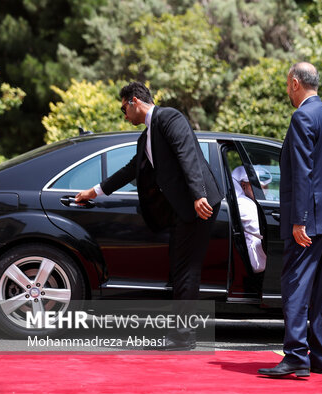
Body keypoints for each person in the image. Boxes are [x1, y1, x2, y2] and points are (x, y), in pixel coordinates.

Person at [75, 82, 223, 350]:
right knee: (180, 269)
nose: (124, 116)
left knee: (186, 269)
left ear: (134, 101)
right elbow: (132, 169)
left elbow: (187, 154)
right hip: (183, 209)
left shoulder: (169, 117)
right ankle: (181, 332)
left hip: (200, 204)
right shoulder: (146, 136)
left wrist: (198, 194)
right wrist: (95, 191)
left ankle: (183, 335)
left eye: (123, 109)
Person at [258, 62, 322, 377]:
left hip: (308, 221)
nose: (287, 91)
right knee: (321, 290)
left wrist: (299, 220)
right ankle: (320, 356)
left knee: (294, 286)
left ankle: (295, 355)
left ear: (295, 83)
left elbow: (303, 172)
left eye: (286, 84)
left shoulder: (302, 116)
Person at [231, 166, 266, 273]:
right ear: (243, 185)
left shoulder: (249, 202)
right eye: (258, 187)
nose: (263, 191)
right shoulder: (244, 203)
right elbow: (261, 231)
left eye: (265, 187)